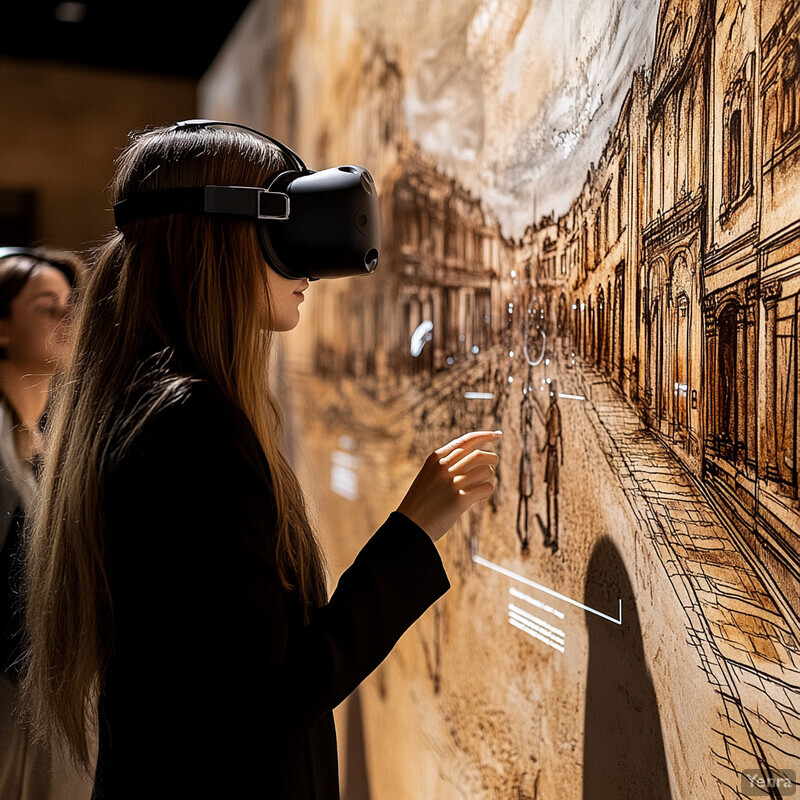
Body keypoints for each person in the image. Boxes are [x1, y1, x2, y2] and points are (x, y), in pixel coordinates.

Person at [19, 121, 501, 799]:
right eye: (290, 229)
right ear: (223, 234)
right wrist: (411, 533)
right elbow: (263, 706)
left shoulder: (148, 407)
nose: (309, 268)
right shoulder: (190, 427)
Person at [0, 246, 93, 799]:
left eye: (69, 305)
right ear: (3, 330)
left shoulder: (40, 440)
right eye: (45, 307)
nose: (66, 319)